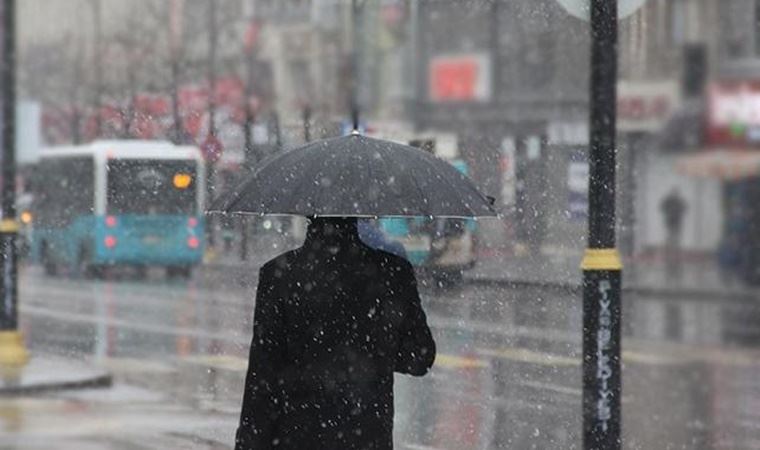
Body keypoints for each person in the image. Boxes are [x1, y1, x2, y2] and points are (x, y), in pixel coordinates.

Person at [235, 217, 436, 450]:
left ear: (308, 213)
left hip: (296, 437)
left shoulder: (278, 274)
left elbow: (262, 378)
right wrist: (374, 354)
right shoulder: (393, 271)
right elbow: (420, 358)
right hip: (367, 437)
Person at [660, 188, 687, 276]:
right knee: (670, 235)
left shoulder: (677, 201)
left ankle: (674, 249)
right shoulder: (670, 200)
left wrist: (676, 212)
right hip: (671, 221)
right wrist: (669, 212)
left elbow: (684, 207)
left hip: (676, 221)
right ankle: (670, 248)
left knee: (675, 236)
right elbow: (662, 206)